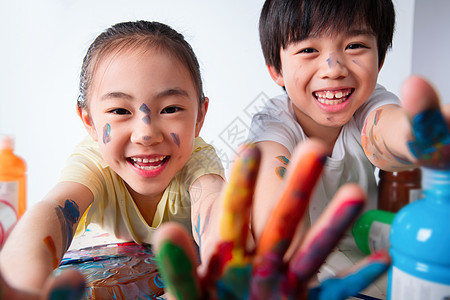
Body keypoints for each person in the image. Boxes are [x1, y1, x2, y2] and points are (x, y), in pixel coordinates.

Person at [0, 20, 225, 297]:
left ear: (200, 116)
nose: (146, 134)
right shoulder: (96, 163)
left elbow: (217, 215)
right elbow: (51, 211)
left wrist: (218, 275)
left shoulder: (198, 162)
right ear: (89, 122)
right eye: (119, 111)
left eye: (170, 109)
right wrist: (23, 284)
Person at [247, 0, 450, 240]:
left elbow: (383, 132)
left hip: (368, 255)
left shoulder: (371, 103)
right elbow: (270, 193)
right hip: (304, 269)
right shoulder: (273, 126)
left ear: (380, 59)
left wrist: (418, 136)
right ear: (277, 70)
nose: (333, 69)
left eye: (355, 45)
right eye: (308, 50)